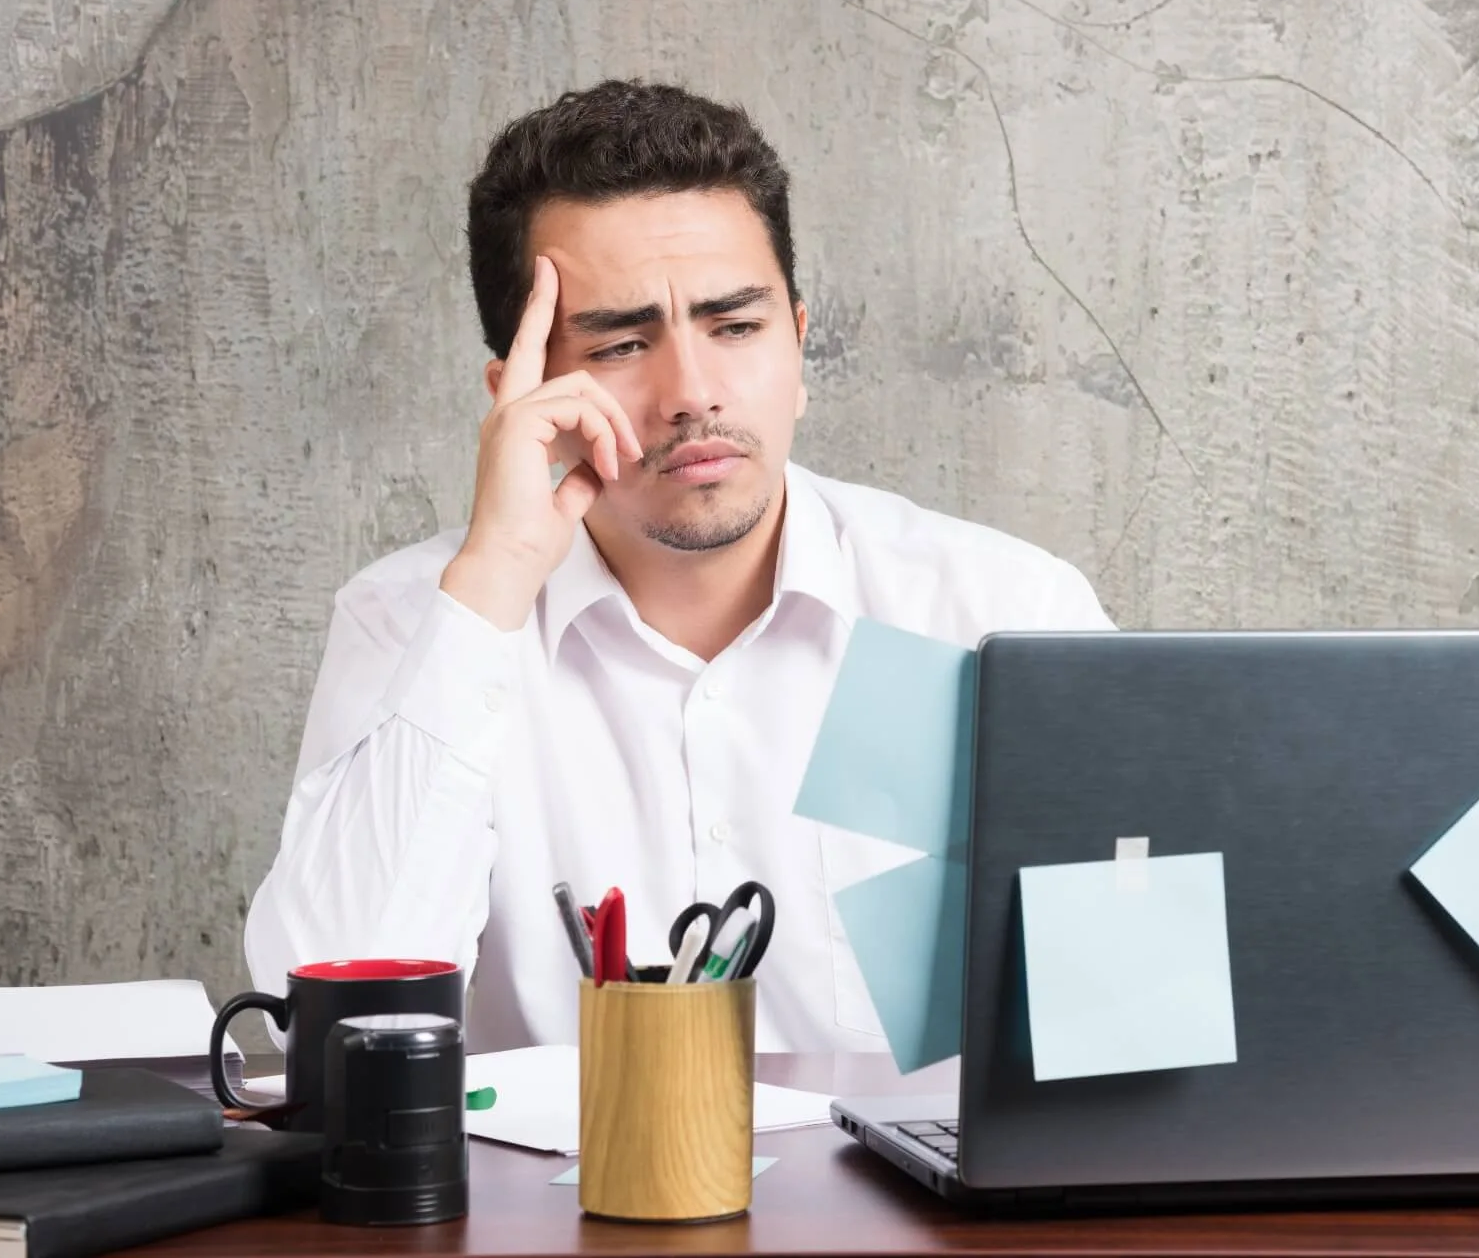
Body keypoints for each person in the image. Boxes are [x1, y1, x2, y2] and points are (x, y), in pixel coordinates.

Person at [243, 79, 1114, 1053]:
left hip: (921, 1205)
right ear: (517, 393)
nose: (692, 392)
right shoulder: (419, 620)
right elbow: (329, 1022)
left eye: (736, 327)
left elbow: (1137, 1021)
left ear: (799, 339)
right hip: (553, 1204)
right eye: (620, 344)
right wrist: (491, 583)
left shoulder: (994, 612)